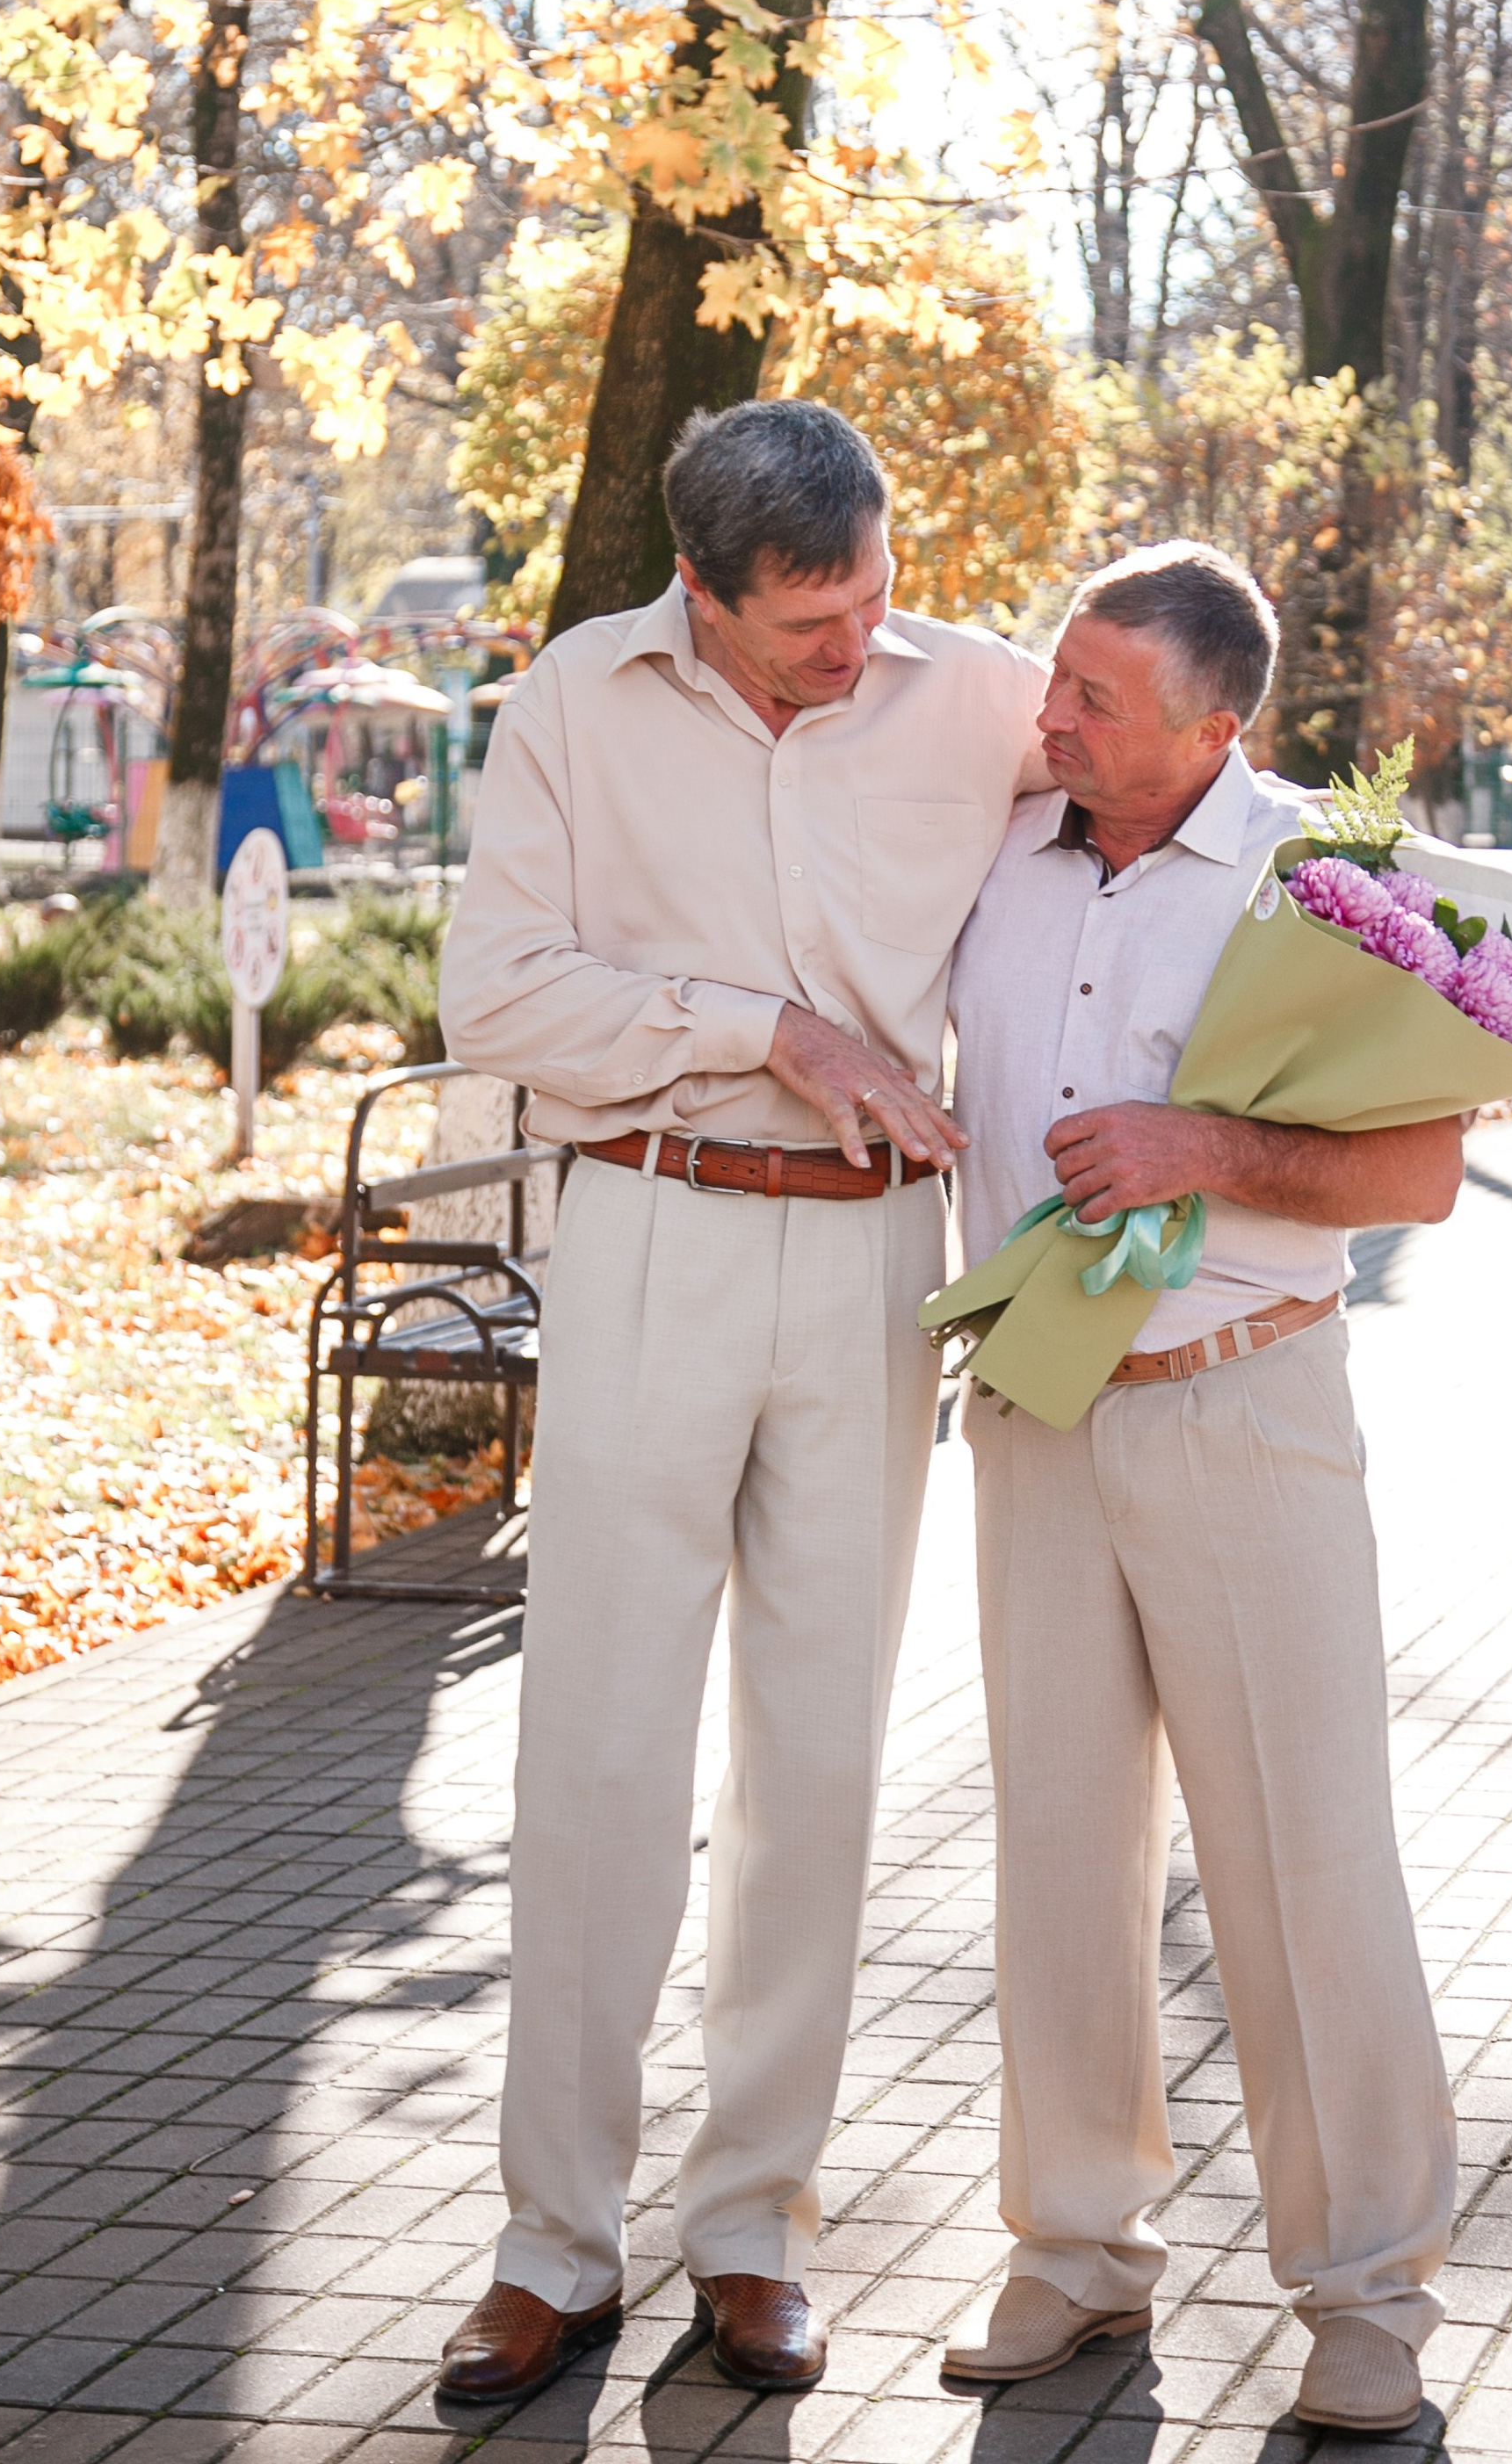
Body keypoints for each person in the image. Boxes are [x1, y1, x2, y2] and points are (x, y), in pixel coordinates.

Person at [430, 399, 1045, 2410]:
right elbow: (497, 994)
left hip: (876, 1267)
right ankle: (552, 2244)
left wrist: (1421, 939)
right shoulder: (575, 706)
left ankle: (754, 2230)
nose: (853, 646)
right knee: (597, 1746)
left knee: (821, 1761)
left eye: (873, 596)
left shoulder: (967, 694)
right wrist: (756, 1030)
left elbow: (1172, 768)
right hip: (649, 1237)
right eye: (808, 624)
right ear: (698, 593)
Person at [939, 542, 1464, 2441]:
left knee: (1301, 1857)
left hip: (1245, 1405)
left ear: (1211, 726)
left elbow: (1414, 1173)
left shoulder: (1322, 878)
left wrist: (1197, 1148)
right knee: (1061, 1854)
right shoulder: (996, 849)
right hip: (1033, 1407)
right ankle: (1073, 2252)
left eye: (1091, 699)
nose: (1048, 718)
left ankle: (1363, 2288)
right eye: (1054, 680)